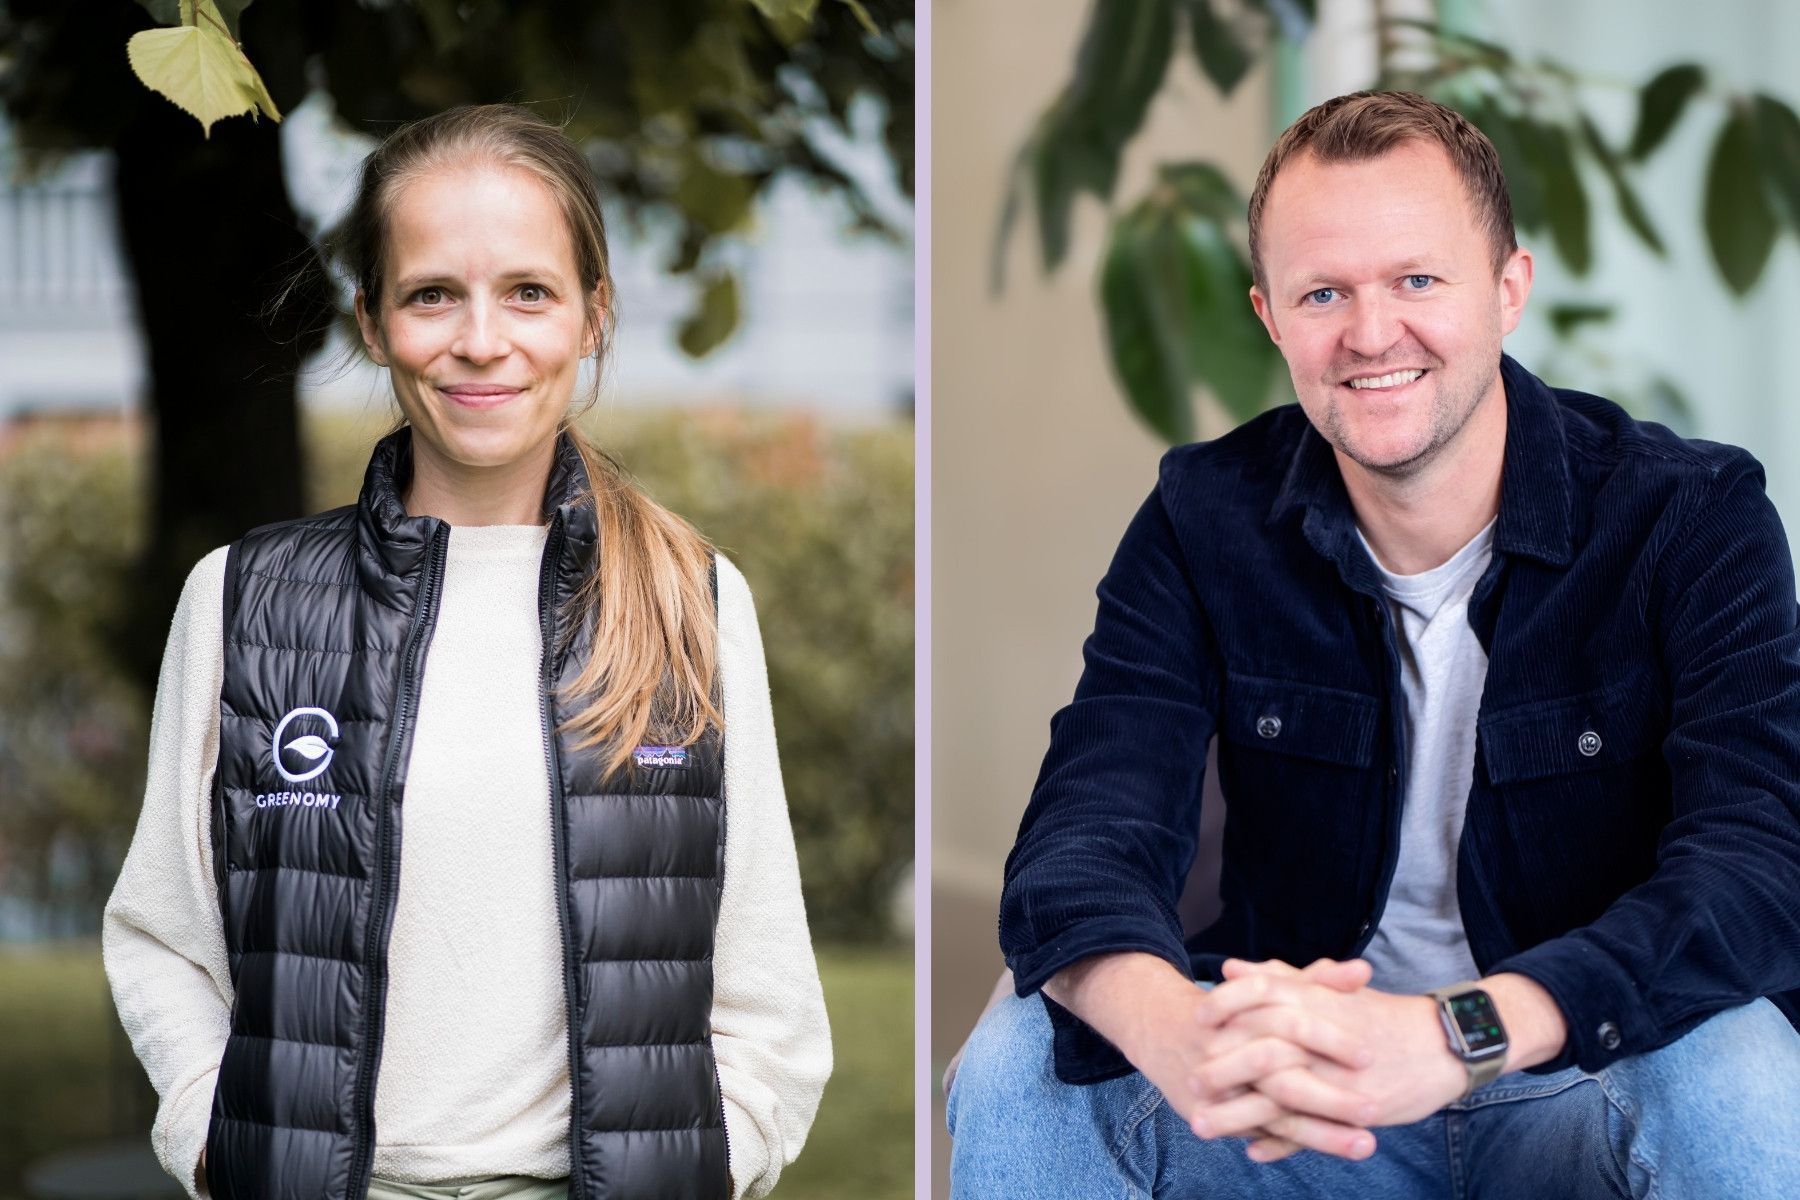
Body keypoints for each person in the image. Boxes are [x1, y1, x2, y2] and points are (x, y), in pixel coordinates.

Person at [947, 90, 1800, 1197]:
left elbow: (1762, 865)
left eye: (1417, 280)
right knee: (1022, 1056)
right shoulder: (1202, 521)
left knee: (1739, 1067)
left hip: (1580, 1073)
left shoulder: (1690, 517)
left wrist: (1457, 1036)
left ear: (1508, 290)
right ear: (1269, 315)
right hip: (1300, 1112)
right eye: (1323, 292)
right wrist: (1181, 1037)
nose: (1369, 332)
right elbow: (1082, 833)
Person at [101, 104, 831, 1200]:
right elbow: (164, 934)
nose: (481, 340)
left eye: (528, 292)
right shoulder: (241, 600)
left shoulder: (692, 600)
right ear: (371, 318)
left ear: (593, 315)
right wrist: (215, 1136)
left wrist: (722, 1153)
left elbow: (764, 980)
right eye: (433, 293)